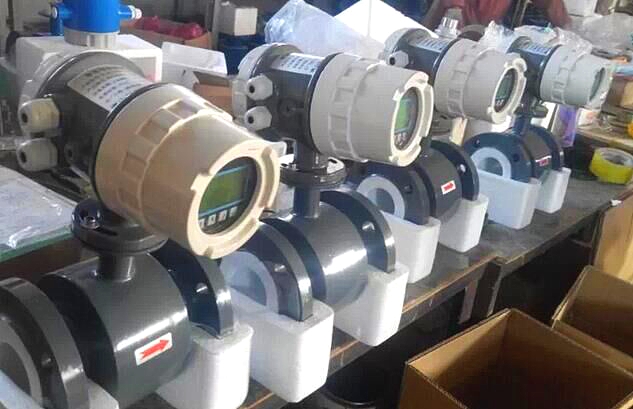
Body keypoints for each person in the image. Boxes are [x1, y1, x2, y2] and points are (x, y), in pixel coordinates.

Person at [422, 0, 571, 29]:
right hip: (446, 24)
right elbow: (452, 11)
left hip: (483, 31)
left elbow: (551, 3)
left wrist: (567, 30)